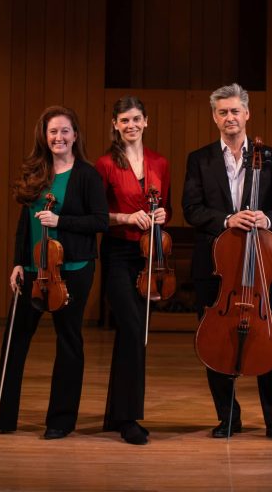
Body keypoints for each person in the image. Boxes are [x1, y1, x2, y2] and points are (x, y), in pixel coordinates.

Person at [0, 105, 108, 439]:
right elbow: (23, 224)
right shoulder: (36, 172)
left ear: (75, 135)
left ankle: (61, 421)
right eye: (53, 131)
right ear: (45, 136)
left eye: (65, 131)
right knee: (13, 341)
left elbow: (100, 221)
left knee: (69, 342)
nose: (59, 137)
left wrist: (61, 222)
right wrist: (16, 262)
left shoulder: (87, 175)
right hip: (32, 269)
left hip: (74, 269)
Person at [182, 82, 272, 443]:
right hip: (216, 266)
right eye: (222, 112)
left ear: (246, 113)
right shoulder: (199, 159)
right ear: (214, 117)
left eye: (235, 111)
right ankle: (228, 418)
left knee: (271, 339)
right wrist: (226, 220)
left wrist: (267, 220)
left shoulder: (271, 157)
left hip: (261, 266)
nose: (229, 117)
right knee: (215, 340)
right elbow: (191, 209)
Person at [94, 95, 172, 446]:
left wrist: (161, 215)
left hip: (149, 256)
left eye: (136, 119)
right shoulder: (105, 164)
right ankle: (129, 419)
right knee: (132, 330)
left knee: (135, 332)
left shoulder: (160, 162)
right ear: (115, 124)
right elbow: (97, 215)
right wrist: (125, 217)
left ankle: (115, 412)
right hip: (117, 252)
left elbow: (164, 206)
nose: (131, 125)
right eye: (124, 120)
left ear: (146, 121)